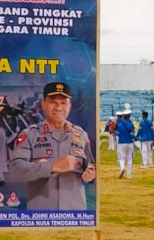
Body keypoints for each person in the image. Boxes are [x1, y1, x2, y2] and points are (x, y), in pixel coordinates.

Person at [9, 82, 96, 210]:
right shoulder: (29, 135)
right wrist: (51, 167)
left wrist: (92, 175)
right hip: (41, 215)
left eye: (63, 103)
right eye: (53, 102)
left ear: (70, 105)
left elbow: (90, 165)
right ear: (43, 104)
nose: (58, 107)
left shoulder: (81, 134)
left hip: (76, 214)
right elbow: (15, 172)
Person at [115, 109, 135, 179]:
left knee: (121, 157)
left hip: (121, 142)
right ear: (129, 116)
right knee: (130, 158)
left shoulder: (119, 124)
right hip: (130, 142)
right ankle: (128, 175)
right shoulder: (131, 124)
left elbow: (115, 131)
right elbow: (133, 132)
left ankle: (122, 168)